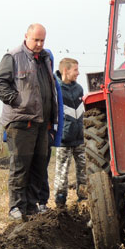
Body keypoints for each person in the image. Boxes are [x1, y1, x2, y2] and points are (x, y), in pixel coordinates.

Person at [0, 23, 59, 220]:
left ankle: (31, 206)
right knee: (21, 166)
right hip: (21, 123)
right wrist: (17, 100)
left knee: (39, 167)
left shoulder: (45, 59)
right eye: (35, 39)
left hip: (42, 123)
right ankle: (16, 207)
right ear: (26, 37)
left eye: (42, 40)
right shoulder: (13, 57)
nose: (39, 44)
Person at [53, 58, 86, 208]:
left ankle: (84, 198)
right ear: (65, 70)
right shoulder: (55, 88)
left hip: (80, 137)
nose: (78, 73)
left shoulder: (79, 89)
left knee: (84, 170)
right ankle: (60, 201)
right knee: (62, 171)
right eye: (75, 70)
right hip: (63, 139)